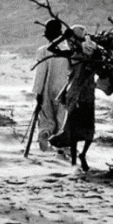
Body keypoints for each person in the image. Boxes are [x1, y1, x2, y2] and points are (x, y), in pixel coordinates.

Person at [48, 25, 99, 173]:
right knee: (78, 128)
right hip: (78, 93)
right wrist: (63, 37)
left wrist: (64, 37)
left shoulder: (90, 53)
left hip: (81, 93)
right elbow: (52, 49)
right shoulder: (73, 53)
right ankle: (77, 160)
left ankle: (80, 157)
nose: (69, 43)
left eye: (71, 40)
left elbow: (53, 48)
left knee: (83, 127)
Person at [32, 19, 70, 152]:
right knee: (62, 118)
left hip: (47, 88)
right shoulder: (69, 51)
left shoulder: (42, 51)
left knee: (46, 118)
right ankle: (62, 149)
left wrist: (38, 93)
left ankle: (44, 138)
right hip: (64, 89)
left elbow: (40, 73)